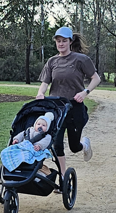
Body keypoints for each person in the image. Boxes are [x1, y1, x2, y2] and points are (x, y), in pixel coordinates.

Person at [36, 26, 101, 177]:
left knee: (74, 146)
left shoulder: (81, 59)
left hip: (75, 108)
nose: (61, 44)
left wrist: (85, 92)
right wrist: (40, 93)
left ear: (70, 42)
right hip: (57, 109)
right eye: (58, 41)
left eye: (64, 41)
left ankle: (84, 144)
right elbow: (45, 83)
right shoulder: (52, 61)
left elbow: (96, 79)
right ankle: (63, 177)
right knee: (56, 144)